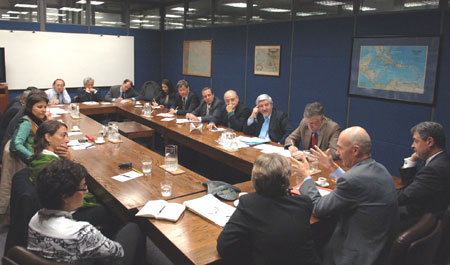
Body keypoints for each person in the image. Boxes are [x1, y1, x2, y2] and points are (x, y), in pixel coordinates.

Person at [291, 126, 399, 265]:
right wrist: (332, 167)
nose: (338, 153)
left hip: (358, 253)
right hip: (380, 243)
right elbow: (356, 183)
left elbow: (318, 208)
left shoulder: (352, 180)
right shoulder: (379, 168)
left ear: (355, 150)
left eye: (340, 148)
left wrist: (306, 177)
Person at [28, 159, 146, 265]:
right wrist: (98, 238)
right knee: (133, 227)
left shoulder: (33, 220)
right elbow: (117, 252)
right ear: (65, 196)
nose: (86, 191)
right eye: (83, 187)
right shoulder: (82, 232)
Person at [217, 153, 320, 265]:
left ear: (255, 178)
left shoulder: (249, 203)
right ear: (286, 180)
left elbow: (224, 247)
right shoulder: (303, 203)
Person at [397, 121, 450, 230]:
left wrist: (381, 197)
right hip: (427, 215)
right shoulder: (441, 160)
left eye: (416, 141)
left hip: (420, 219)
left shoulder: (434, 169)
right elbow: (413, 185)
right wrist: (412, 161)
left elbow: (406, 196)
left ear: (429, 141)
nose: (412, 145)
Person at [10, 90, 49, 164]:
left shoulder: (36, 119)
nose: (43, 110)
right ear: (30, 107)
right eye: (39, 107)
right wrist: (35, 159)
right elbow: (15, 145)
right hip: (32, 163)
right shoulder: (26, 122)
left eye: (45, 107)